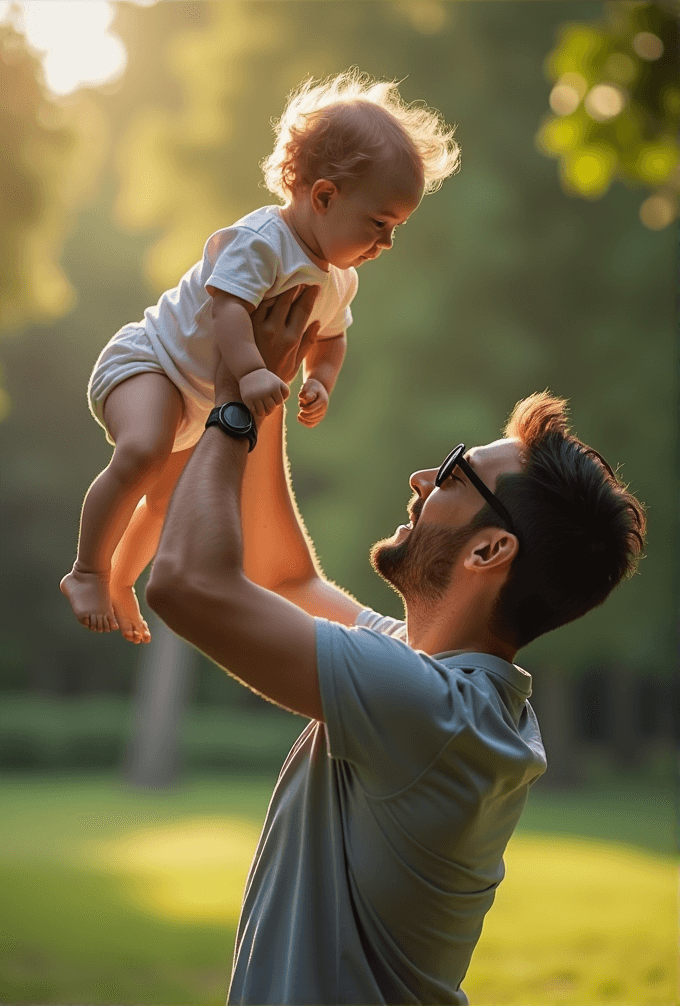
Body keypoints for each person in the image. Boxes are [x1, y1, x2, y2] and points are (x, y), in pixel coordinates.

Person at [145, 286, 646, 1006]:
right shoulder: (453, 694)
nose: (421, 479)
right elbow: (285, 579)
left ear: (490, 549)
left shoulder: (433, 711)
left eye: (452, 473)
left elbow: (185, 584)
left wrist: (228, 403)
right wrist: (268, 386)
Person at [59, 69, 460, 644]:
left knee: (167, 498)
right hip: (150, 364)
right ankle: (88, 571)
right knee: (143, 452)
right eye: (379, 224)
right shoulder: (261, 242)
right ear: (324, 196)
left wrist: (320, 380)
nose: (387, 244)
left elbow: (330, 338)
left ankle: (122, 578)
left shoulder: (338, 279)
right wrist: (250, 373)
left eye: (396, 228)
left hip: (199, 403)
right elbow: (226, 310)